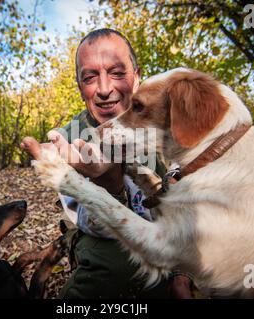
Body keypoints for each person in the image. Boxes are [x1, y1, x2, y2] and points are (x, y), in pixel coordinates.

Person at [21, 28, 186, 298]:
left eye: (118, 73)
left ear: (137, 76)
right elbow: (94, 224)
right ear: (80, 87)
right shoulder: (70, 141)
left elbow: (183, 197)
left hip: (167, 234)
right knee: (117, 259)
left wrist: (182, 273)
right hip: (103, 240)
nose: (105, 89)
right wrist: (108, 185)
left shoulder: (162, 119)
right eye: (90, 77)